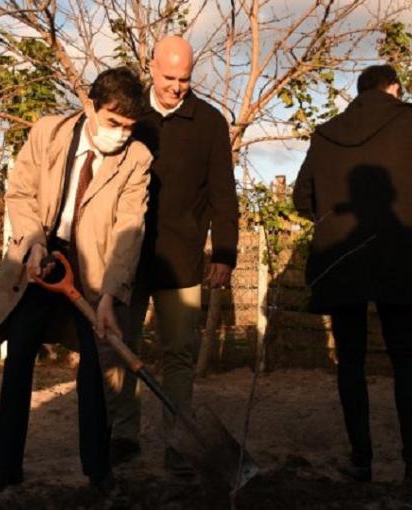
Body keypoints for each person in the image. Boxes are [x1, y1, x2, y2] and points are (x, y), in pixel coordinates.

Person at [292, 64, 412, 482]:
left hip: (342, 259)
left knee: (350, 361)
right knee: (404, 356)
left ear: (359, 91)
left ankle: (361, 461)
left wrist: (333, 220)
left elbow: (301, 197)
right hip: (401, 260)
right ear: (394, 89)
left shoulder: (326, 133)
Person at [0, 67, 152, 495]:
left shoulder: (138, 160)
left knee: (94, 368)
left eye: (129, 127)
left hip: (91, 271)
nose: (121, 135)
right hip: (41, 261)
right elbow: (20, 190)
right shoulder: (48, 133)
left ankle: (98, 470)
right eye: (113, 123)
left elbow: (130, 229)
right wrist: (33, 243)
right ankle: (6, 465)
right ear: (89, 105)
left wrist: (109, 296)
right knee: (19, 362)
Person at [103, 35, 239, 475]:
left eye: (185, 79)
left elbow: (224, 193)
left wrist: (225, 252)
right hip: (127, 255)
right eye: (168, 78)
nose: (177, 87)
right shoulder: (130, 116)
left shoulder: (210, 122)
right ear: (151, 67)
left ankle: (177, 442)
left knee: (179, 353)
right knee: (123, 349)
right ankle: (123, 435)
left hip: (181, 261)